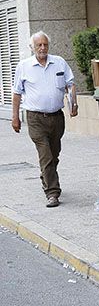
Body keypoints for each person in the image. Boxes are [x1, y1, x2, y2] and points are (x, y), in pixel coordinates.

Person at [11, 31, 78, 208]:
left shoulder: (59, 62)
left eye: (45, 45)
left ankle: (46, 177)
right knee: (46, 156)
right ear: (32, 47)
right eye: (39, 45)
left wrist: (74, 104)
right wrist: (15, 117)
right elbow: (17, 93)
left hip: (57, 118)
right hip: (35, 119)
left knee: (54, 155)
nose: (42, 48)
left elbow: (70, 84)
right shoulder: (24, 66)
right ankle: (52, 193)